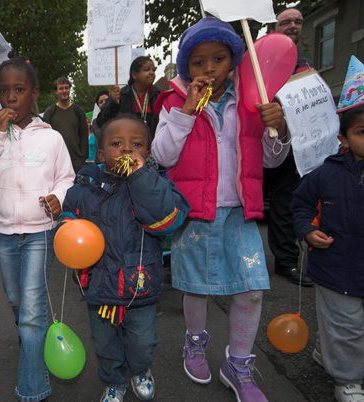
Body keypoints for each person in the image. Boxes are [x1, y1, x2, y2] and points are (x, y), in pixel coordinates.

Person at [151, 18, 291, 401]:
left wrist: (277, 129)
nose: (209, 68)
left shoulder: (254, 102)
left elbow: (273, 163)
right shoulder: (173, 101)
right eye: (198, 62)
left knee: (251, 290)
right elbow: (161, 155)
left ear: (234, 61)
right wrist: (187, 111)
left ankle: (239, 363)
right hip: (195, 213)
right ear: (186, 67)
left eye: (218, 58)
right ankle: (195, 343)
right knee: (196, 288)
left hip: (240, 211)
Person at [0, 58, 75, 402]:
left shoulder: (52, 138)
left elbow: (65, 178)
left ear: (35, 93)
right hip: (4, 234)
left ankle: (33, 388)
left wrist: (58, 197)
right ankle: (30, 336)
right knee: (17, 301)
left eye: (19, 89)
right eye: (3, 90)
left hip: (41, 232)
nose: (11, 97)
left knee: (31, 312)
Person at [61, 114, 188, 402]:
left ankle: (141, 370)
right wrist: (66, 222)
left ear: (147, 151)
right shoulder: (85, 188)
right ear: (102, 154)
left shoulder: (156, 184)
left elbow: (166, 220)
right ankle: (113, 380)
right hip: (99, 286)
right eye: (117, 143)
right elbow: (70, 218)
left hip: (140, 283)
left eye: (136, 144)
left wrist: (142, 178)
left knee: (142, 341)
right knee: (105, 343)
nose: (127, 150)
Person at [292, 64, 364, 402]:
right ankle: (347, 378)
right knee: (347, 326)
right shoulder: (326, 174)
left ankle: (327, 351)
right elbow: (301, 204)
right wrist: (308, 230)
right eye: (362, 131)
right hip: (336, 266)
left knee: (350, 327)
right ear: (343, 138)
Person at [263, 7, 314, 286]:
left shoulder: (306, 65)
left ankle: (286, 262)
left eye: (298, 21)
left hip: (292, 146)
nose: (293, 25)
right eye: (286, 22)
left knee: (285, 206)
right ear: (274, 27)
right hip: (257, 145)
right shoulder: (260, 59)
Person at [97, 56, 162, 142]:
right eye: (146, 70)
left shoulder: (160, 95)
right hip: (127, 148)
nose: (151, 73)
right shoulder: (120, 95)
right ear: (134, 75)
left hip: (154, 148)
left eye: (153, 70)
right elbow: (101, 123)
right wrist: (112, 103)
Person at [42, 77, 88, 172]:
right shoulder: (50, 112)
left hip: (76, 160)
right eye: (61, 88)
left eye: (66, 88)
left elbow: (84, 135)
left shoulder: (78, 111)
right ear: (56, 91)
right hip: (56, 159)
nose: (64, 91)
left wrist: (83, 156)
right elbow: (45, 137)